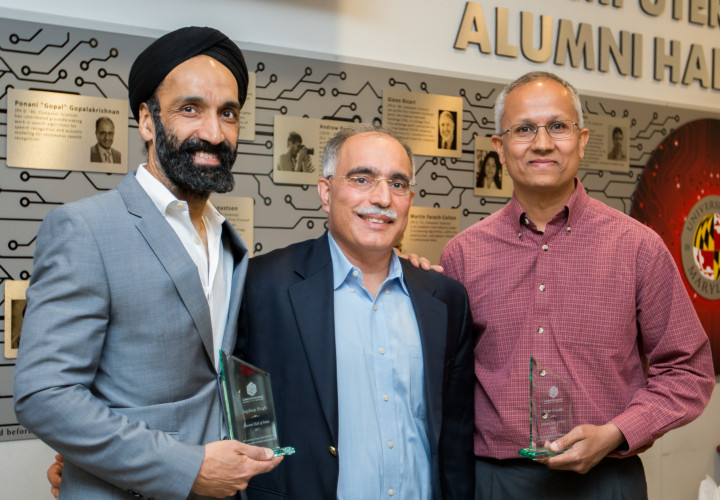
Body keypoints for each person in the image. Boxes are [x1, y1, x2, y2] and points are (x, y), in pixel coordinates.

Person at [14, 27, 282, 500]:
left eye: (228, 113)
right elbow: (45, 397)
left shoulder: (229, 241)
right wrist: (189, 467)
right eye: (190, 109)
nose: (213, 133)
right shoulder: (85, 229)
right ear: (146, 120)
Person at [439, 72, 715, 499]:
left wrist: (618, 432)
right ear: (499, 146)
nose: (543, 142)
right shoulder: (462, 255)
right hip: (495, 482)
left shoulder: (638, 248)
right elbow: (444, 379)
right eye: (524, 129)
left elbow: (687, 371)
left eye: (558, 126)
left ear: (582, 140)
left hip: (606, 481)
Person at [239, 123, 475, 499]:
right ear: (326, 192)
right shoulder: (262, 285)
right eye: (362, 179)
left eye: (398, 184)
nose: (382, 198)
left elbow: (456, 440)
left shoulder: (445, 299)